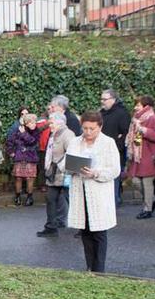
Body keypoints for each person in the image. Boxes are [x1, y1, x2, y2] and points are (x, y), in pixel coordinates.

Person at [66, 111, 121, 273]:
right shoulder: (75, 142)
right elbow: (64, 164)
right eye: (85, 128)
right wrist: (72, 167)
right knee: (85, 231)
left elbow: (115, 170)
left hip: (99, 193)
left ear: (100, 127)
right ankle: (90, 267)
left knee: (99, 232)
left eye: (92, 129)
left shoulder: (108, 143)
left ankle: (99, 270)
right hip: (80, 191)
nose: (88, 132)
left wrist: (96, 173)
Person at [125, 96, 155, 219]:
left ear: (146, 106)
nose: (135, 107)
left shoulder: (153, 119)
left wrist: (145, 131)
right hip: (138, 157)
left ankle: (147, 209)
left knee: (147, 182)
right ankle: (152, 200)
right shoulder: (136, 120)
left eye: (138, 105)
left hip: (150, 156)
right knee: (135, 181)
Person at [37, 112, 75, 238]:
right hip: (54, 173)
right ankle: (51, 227)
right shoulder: (55, 134)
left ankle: (85, 228)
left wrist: (61, 167)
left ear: (60, 122)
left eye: (51, 122)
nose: (49, 125)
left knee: (73, 200)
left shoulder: (67, 134)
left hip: (64, 173)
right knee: (50, 198)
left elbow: (72, 153)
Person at [99, 89, 132, 206]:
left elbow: (126, 133)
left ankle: (114, 202)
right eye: (101, 99)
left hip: (116, 151)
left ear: (113, 99)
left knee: (114, 178)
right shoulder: (101, 113)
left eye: (105, 99)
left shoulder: (122, 113)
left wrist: (117, 145)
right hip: (101, 151)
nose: (102, 102)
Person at [6, 113, 41, 206]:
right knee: (18, 178)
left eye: (34, 123)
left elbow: (32, 141)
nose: (33, 125)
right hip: (20, 157)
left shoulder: (36, 131)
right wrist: (11, 152)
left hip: (31, 157)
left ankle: (30, 197)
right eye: (31, 123)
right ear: (26, 123)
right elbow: (11, 140)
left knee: (30, 178)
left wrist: (24, 134)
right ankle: (17, 196)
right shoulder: (18, 130)